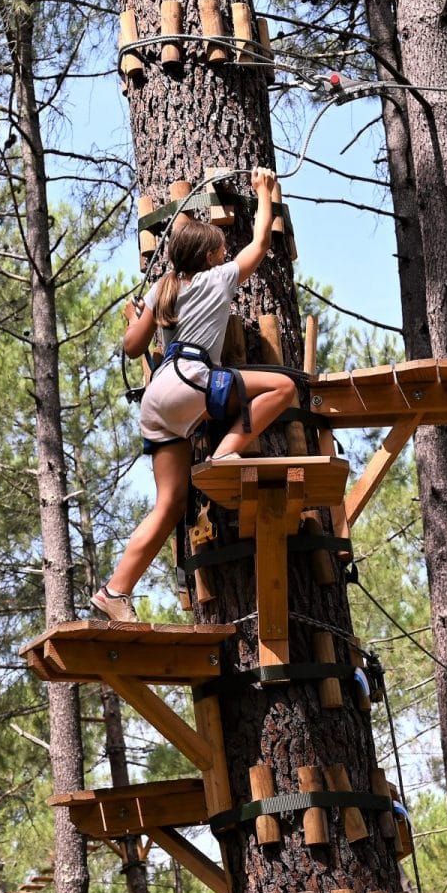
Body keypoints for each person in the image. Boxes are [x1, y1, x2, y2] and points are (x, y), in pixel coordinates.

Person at [92, 166, 297, 621]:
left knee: (170, 505)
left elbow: (131, 349)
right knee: (282, 386)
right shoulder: (217, 279)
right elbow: (260, 245)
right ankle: (226, 453)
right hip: (191, 379)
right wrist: (264, 193)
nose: (225, 255)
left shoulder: (164, 289)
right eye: (220, 251)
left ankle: (115, 591)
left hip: (158, 396)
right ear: (209, 258)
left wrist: (136, 320)